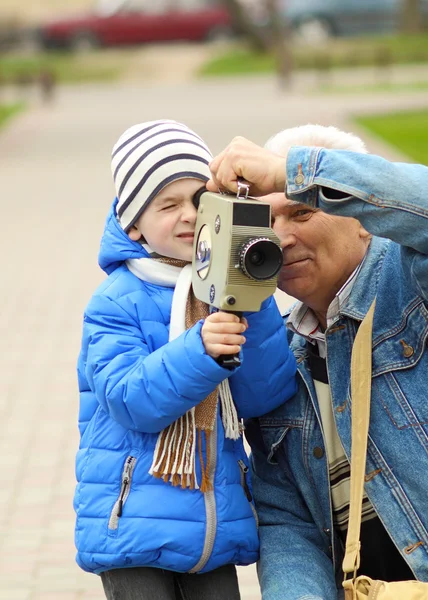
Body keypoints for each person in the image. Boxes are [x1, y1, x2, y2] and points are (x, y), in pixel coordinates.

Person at [206, 125, 428, 599]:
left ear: (363, 217)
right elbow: (286, 519)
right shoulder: (270, 358)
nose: (281, 238)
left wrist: (286, 171)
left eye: (302, 210)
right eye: (267, 222)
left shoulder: (424, 282)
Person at [74, 119, 297, 600]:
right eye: (167, 205)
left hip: (212, 526)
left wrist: (249, 302)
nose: (188, 216)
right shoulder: (115, 301)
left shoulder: (228, 289)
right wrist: (199, 350)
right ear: (133, 223)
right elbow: (129, 399)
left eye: (199, 199)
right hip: (133, 524)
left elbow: (264, 394)